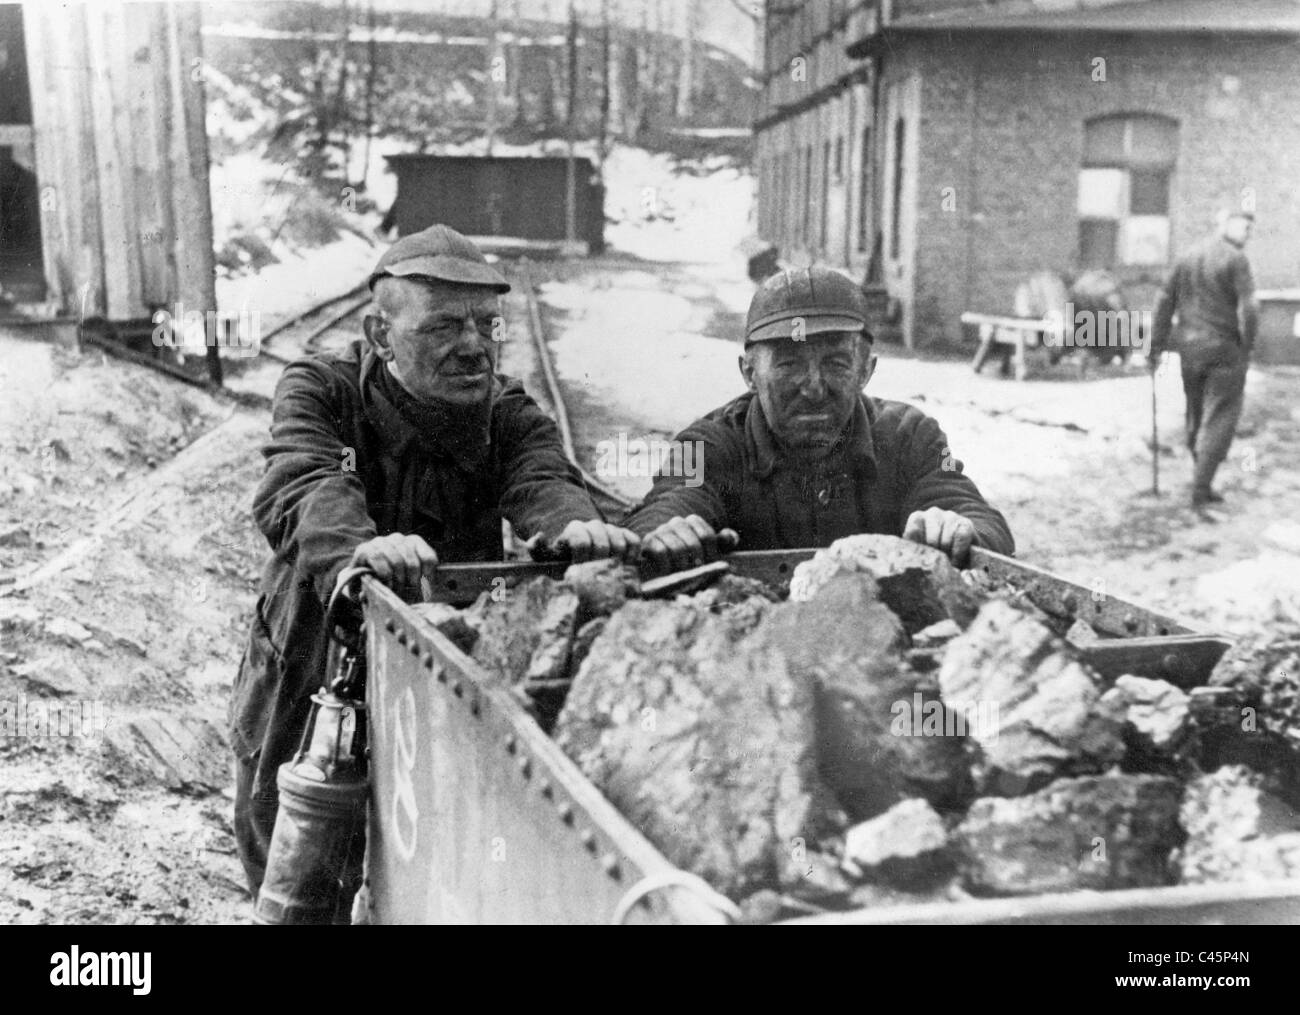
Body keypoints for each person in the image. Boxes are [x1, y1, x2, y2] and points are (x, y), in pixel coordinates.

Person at [229, 224, 639, 895]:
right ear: (380, 334)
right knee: (288, 862)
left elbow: (542, 473)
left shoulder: (502, 409)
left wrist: (573, 528)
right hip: (314, 660)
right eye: (444, 326)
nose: (473, 346)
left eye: (486, 324)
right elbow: (305, 480)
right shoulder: (324, 391)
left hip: (441, 675)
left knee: (438, 858)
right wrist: (357, 551)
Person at [625, 266, 1014, 569]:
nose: (813, 387)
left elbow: (974, 513)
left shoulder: (911, 436)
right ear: (749, 373)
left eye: (836, 363)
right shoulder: (706, 445)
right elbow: (667, 505)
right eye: (789, 364)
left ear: (866, 371)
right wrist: (664, 533)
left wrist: (963, 530)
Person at [1150, 210, 1258, 509]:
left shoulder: (1187, 257)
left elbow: (1163, 301)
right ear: (1224, 225)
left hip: (1190, 352)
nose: (1248, 234)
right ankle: (1200, 488)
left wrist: (1155, 347)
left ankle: (1201, 478)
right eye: (1245, 227)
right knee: (1220, 417)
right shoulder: (1236, 260)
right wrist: (1246, 347)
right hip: (1224, 352)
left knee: (1196, 415)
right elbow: (1250, 308)